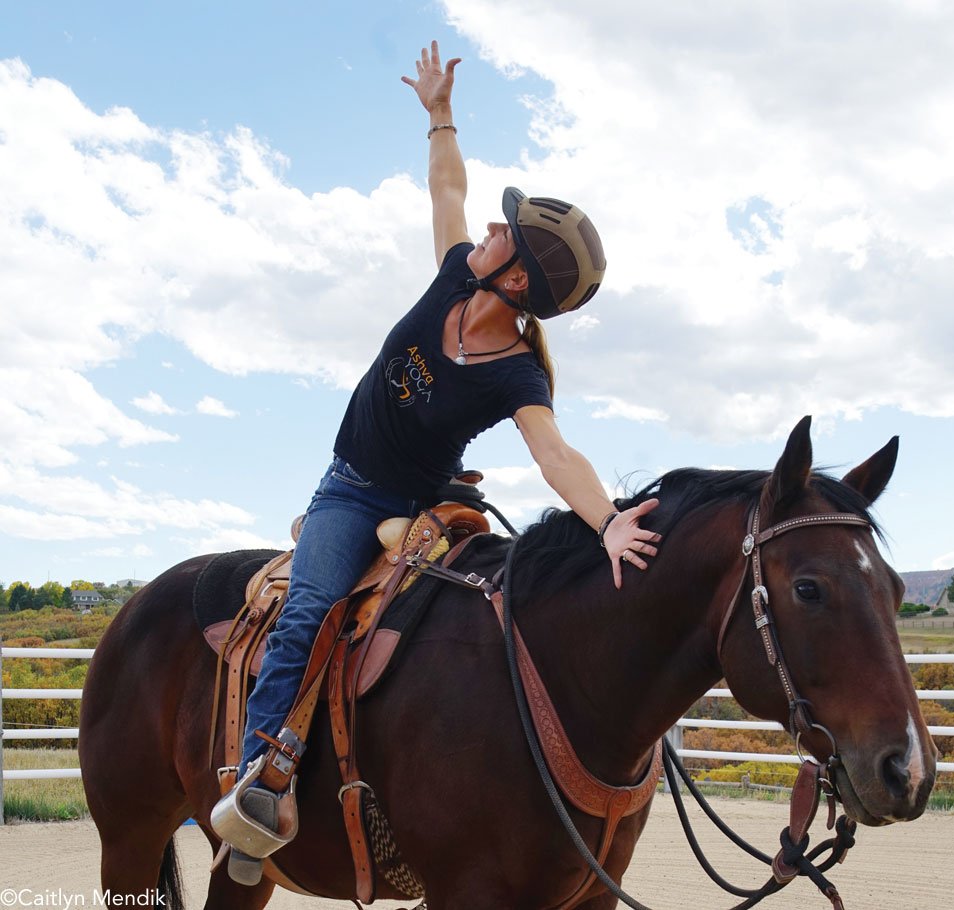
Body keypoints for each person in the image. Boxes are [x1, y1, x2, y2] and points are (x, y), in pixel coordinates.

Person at [213, 40, 661, 883]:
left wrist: (605, 523)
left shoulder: (520, 373)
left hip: (422, 503)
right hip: (348, 490)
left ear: (519, 280)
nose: (490, 229)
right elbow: (448, 187)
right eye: (500, 223)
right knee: (308, 606)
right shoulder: (456, 274)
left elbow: (554, 453)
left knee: (424, 620)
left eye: (508, 233)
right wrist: (439, 114)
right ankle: (259, 782)